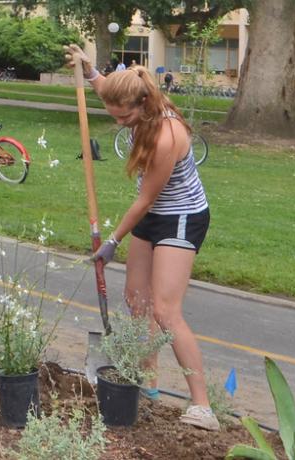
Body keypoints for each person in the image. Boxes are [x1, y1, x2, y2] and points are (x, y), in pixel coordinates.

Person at [67, 45, 222, 432]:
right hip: (154, 216)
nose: (120, 123)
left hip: (181, 217)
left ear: (142, 107)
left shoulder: (166, 136)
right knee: (137, 302)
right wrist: (89, 71)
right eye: (115, 114)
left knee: (165, 311)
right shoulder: (135, 98)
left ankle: (203, 407)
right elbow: (108, 90)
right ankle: (149, 386)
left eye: (124, 117)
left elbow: (145, 200)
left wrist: (112, 241)